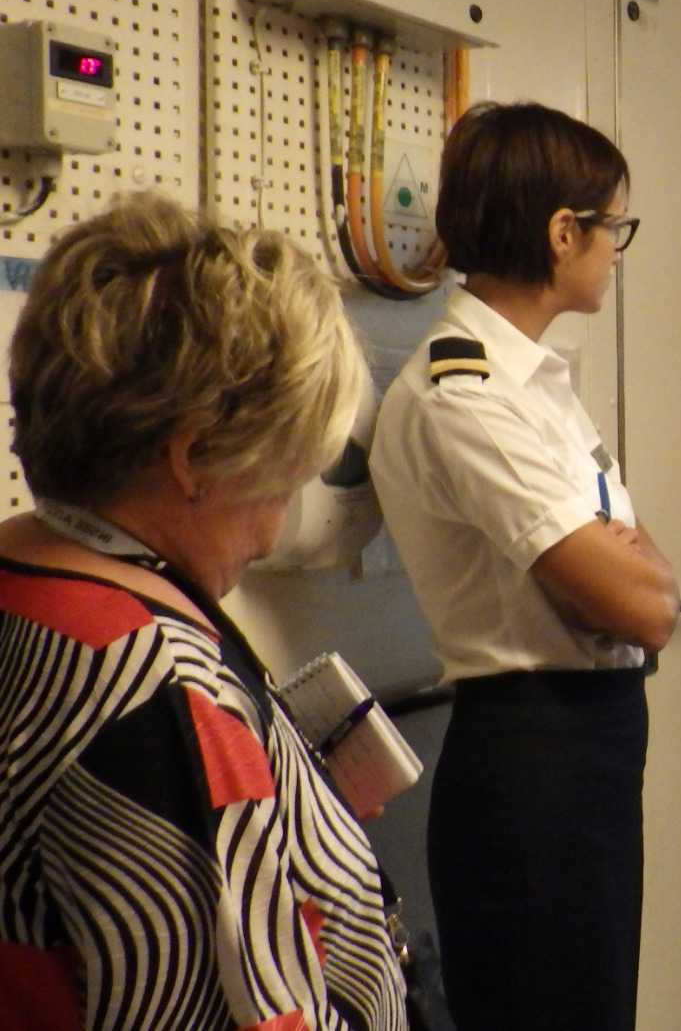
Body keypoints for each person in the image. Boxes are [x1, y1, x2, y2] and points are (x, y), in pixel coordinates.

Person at [0, 193, 405, 1028]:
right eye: (283, 479)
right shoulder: (160, 696)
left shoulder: (28, 577)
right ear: (193, 456)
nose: (274, 530)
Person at [370, 102, 680, 1030]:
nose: (617, 250)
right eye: (613, 227)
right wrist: (635, 583)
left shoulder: (534, 382)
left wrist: (636, 582)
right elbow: (647, 606)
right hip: (534, 751)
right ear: (562, 233)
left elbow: (647, 575)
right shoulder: (464, 394)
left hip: (591, 743)